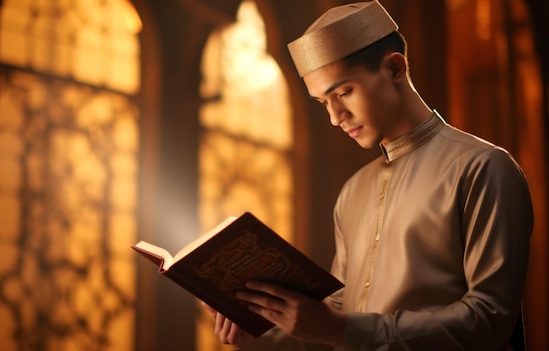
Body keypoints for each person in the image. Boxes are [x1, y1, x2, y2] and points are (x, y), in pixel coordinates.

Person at [202, 0, 534, 350]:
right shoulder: (352, 191)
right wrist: (260, 325)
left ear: (394, 68)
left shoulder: (483, 168)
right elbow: (340, 314)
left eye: (343, 92)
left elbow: (490, 318)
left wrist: (341, 329)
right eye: (323, 103)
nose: (335, 116)